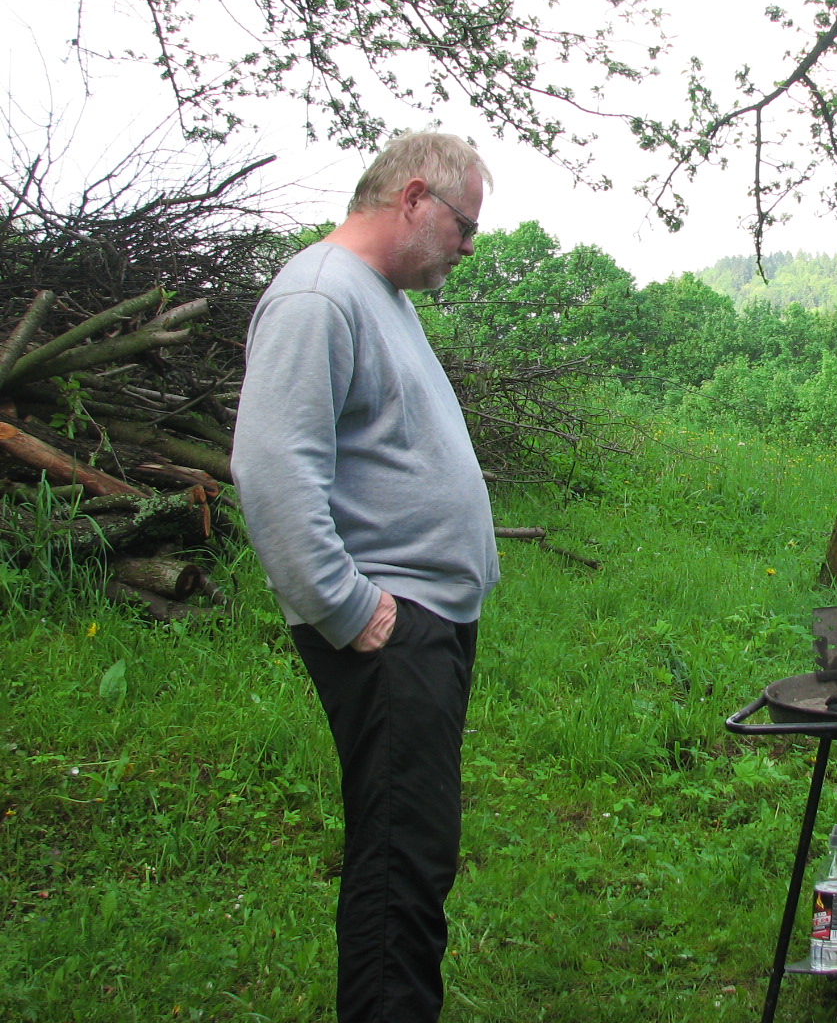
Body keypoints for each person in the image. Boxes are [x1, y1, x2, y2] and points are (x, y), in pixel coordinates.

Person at [232, 131, 500, 1023]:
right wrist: (350, 610)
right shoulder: (317, 295)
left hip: (423, 621)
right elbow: (272, 471)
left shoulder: (378, 295)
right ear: (414, 198)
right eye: (465, 225)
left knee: (415, 850)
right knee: (400, 866)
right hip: (389, 630)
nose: (469, 245)